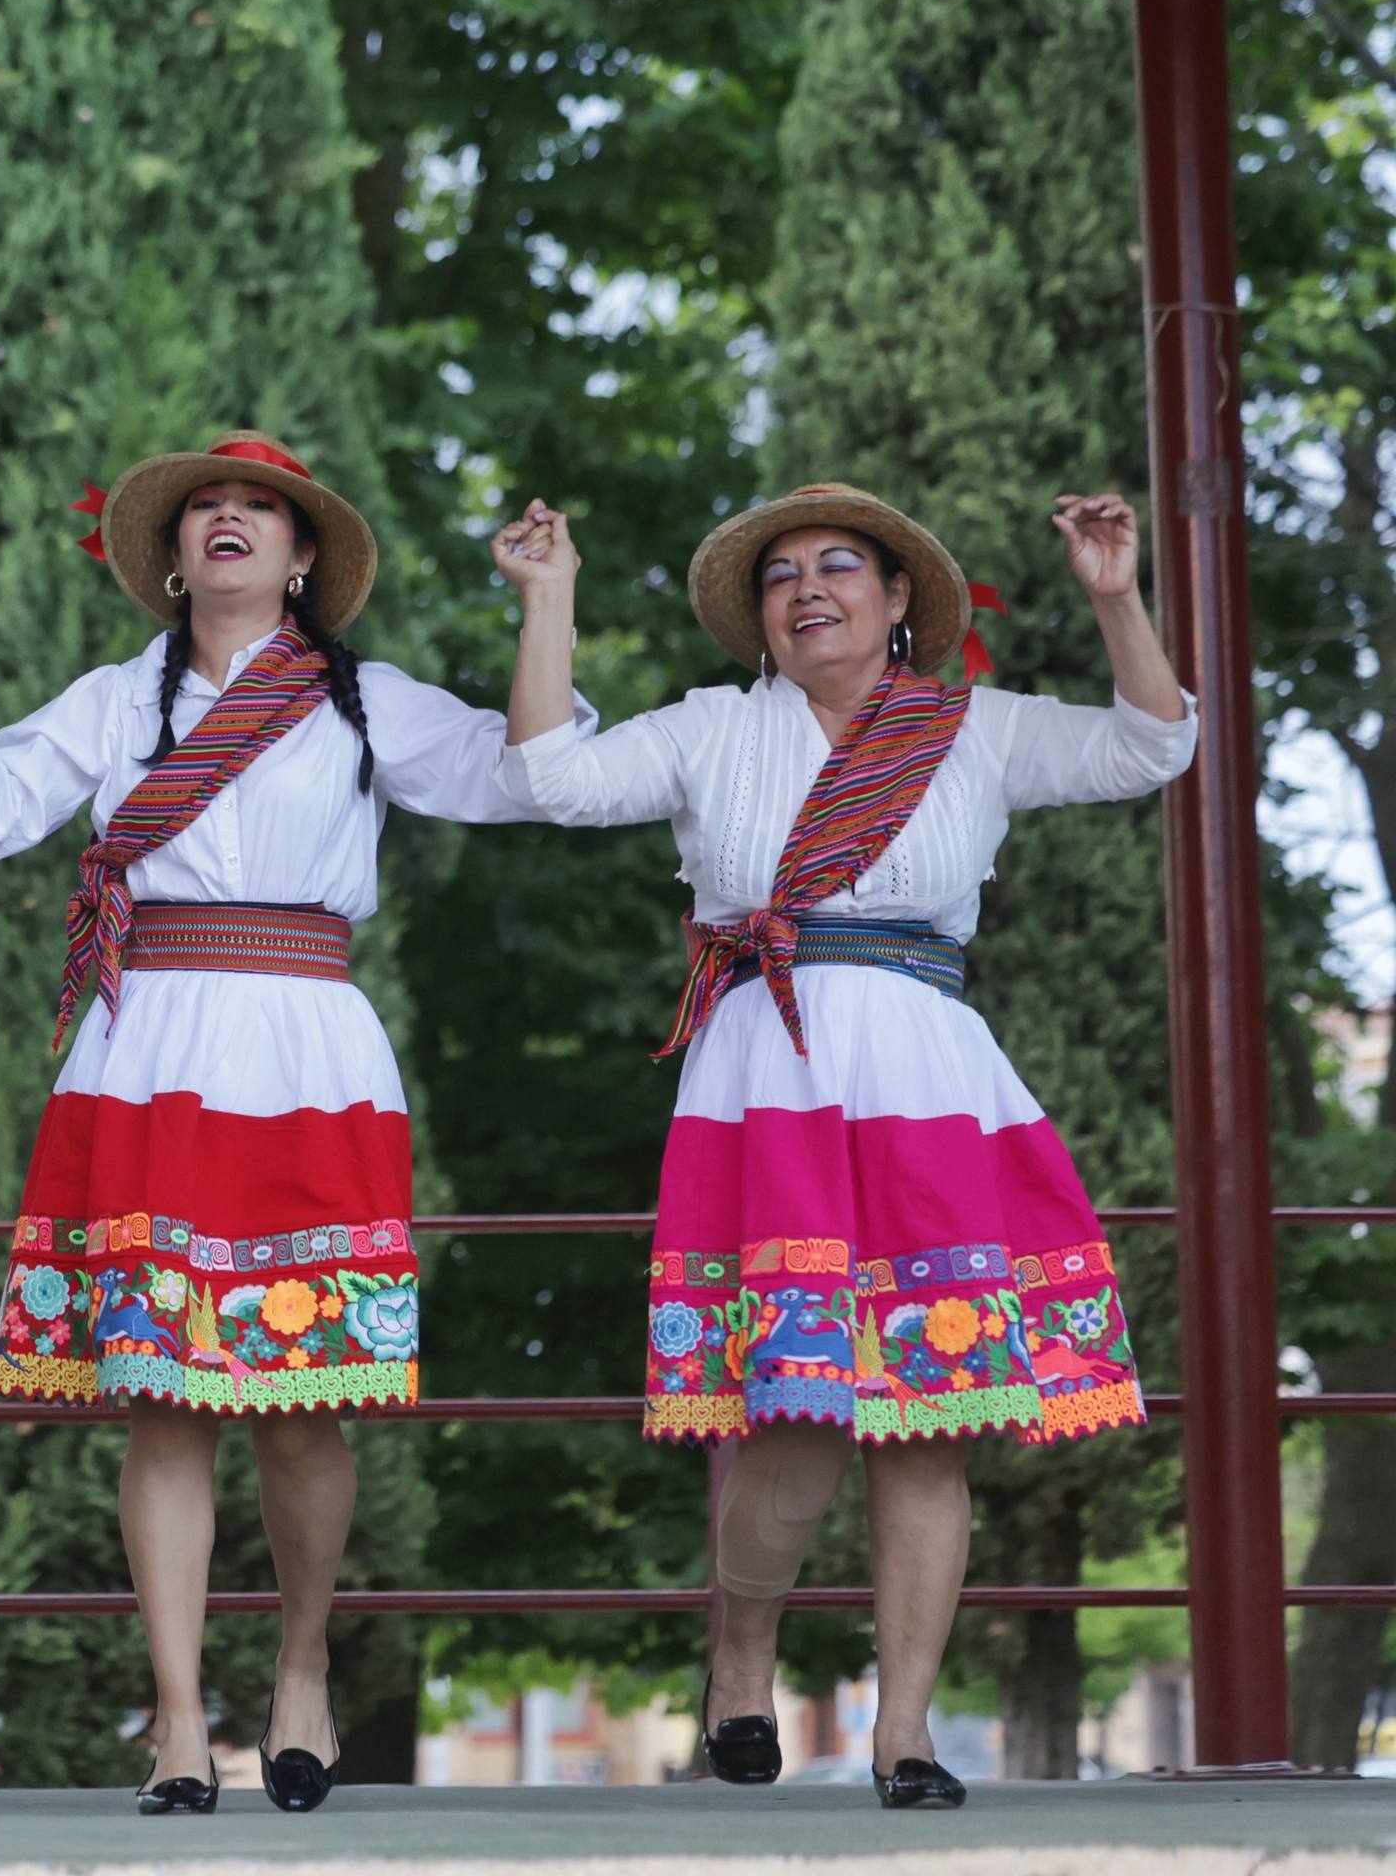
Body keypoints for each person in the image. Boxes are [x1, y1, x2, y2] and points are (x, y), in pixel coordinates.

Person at [0, 430, 587, 1816]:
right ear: (172, 554)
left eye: (257, 510)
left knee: (301, 1403)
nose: (228, 523)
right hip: (147, 1040)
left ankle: (298, 1664)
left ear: (301, 558)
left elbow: (525, 775)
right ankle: (171, 1720)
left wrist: (546, 605)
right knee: (162, 1402)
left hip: (303, 1047)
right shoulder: (114, 698)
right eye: (205, 509)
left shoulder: (367, 701)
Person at [493, 484, 1195, 1809]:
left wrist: (1115, 594)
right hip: (770, 1077)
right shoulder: (713, 730)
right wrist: (549, 600)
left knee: (931, 1422)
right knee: (791, 1418)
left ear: (899, 605)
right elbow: (550, 777)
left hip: (928, 1079)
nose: (808, 586)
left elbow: (1153, 746)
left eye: (840, 566)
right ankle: (743, 1660)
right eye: (780, 576)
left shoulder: (975, 731)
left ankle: (905, 1732)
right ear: (759, 623)